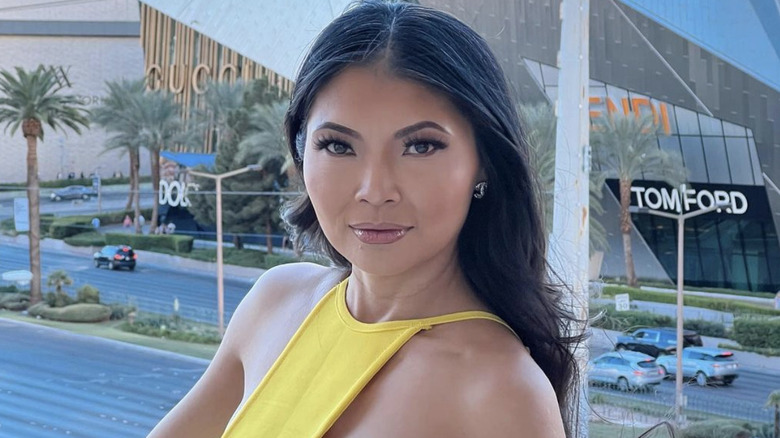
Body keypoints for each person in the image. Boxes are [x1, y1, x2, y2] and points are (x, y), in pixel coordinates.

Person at [149, 2, 581, 437]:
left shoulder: (501, 394)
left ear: (484, 163)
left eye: (421, 146)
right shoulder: (275, 302)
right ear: (301, 153)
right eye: (338, 146)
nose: (375, 191)